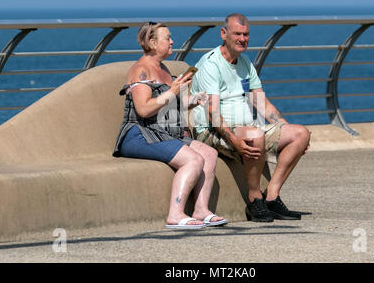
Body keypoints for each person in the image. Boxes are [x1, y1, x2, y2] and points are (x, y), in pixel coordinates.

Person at [190, 13, 311, 222]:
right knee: (255, 135)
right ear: (223, 34)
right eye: (237, 34)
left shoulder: (245, 63)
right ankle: (255, 200)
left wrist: (287, 131)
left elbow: (262, 103)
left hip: (247, 128)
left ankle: (271, 197)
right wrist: (235, 139)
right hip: (211, 130)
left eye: (246, 35)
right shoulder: (211, 64)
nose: (242, 39)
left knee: (300, 134)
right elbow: (213, 113)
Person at [113, 22, 227, 229]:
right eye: (167, 38)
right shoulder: (141, 71)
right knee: (193, 159)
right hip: (139, 134)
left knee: (209, 154)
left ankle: (201, 209)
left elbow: (169, 104)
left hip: (165, 132)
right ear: (152, 42)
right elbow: (144, 110)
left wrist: (193, 99)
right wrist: (173, 91)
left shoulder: (164, 68)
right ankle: (175, 214)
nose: (172, 41)